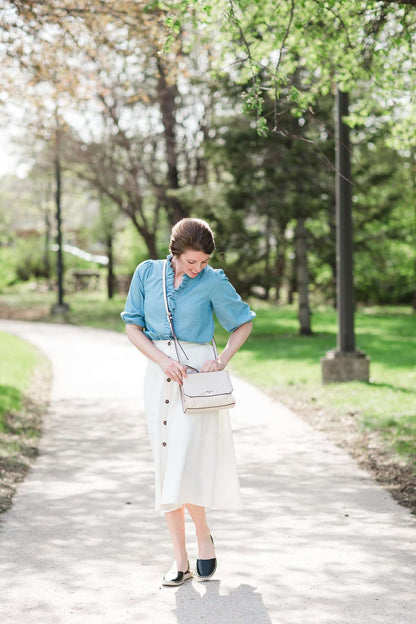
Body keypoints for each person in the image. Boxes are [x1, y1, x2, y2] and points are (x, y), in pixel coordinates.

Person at [121, 217, 255, 586]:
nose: (197, 269)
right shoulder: (147, 274)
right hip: (159, 377)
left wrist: (221, 360)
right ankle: (180, 560)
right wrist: (162, 360)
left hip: (198, 380)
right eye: (191, 261)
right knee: (166, 465)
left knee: (184, 462)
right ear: (174, 252)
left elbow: (243, 323)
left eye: (203, 262)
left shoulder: (213, 280)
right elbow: (132, 324)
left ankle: (202, 534)